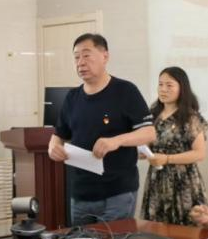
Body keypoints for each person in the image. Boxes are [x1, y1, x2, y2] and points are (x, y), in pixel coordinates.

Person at [47, 33, 156, 225]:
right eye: (76, 57)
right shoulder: (72, 97)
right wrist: (53, 148)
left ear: (105, 56)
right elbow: (59, 135)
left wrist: (116, 141)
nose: (80, 62)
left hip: (117, 192)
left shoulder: (125, 91)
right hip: (81, 193)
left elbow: (149, 132)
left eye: (86, 55)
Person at [141, 66, 208, 225]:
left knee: (184, 230)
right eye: (160, 84)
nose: (163, 89)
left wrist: (166, 159)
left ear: (182, 88)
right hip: (156, 180)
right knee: (155, 229)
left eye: (169, 85)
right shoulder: (153, 115)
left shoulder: (190, 117)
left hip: (182, 181)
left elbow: (199, 153)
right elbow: (149, 144)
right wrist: (143, 151)